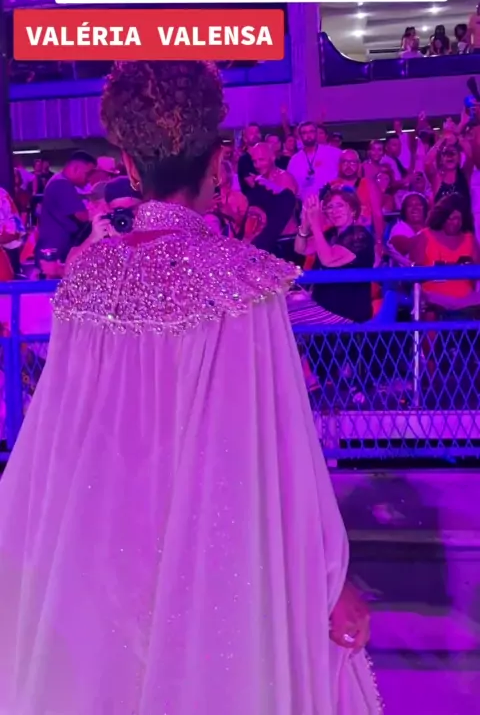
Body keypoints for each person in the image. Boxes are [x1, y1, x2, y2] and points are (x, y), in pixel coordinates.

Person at [0, 60, 378, 715]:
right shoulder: (247, 281)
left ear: (127, 161)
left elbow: (55, 435)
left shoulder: (86, 278)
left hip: (101, 550)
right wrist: (329, 575)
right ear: (220, 158)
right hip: (217, 553)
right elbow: (282, 448)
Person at [295, 189, 375, 323]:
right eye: (330, 207)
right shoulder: (331, 234)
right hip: (324, 308)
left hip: (347, 314)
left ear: (352, 210)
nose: (334, 211)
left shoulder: (359, 236)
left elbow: (328, 260)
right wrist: (305, 225)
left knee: (288, 320)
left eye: (340, 205)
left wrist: (315, 225)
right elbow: (301, 248)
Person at [412, 193, 480, 311]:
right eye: (450, 218)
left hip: (466, 300)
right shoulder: (424, 236)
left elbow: (475, 275)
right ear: (442, 218)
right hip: (432, 298)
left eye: (457, 219)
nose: (453, 223)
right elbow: (415, 273)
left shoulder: (470, 240)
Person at [36, 150, 97, 265]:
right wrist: (101, 214)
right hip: (56, 250)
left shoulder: (59, 182)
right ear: (75, 168)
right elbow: (82, 216)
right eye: (88, 174)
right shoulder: (62, 184)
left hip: (54, 247)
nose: (89, 179)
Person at [287, 121, 340, 201]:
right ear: (300, 136)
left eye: (311, 131)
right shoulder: (294, 161)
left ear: (316, 133)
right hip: (305, 204)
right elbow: (291, 187)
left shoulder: (334, 153)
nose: (308, 135)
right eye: (304, 133)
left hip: (331, 203)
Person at [387, 192, 429, 265]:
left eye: (419, 205)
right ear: (404, 211)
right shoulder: (399, 228)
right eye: (409, 206)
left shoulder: (431, 226)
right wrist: (427, 234)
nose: (415, 208)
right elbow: (405, 249)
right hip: (407, 271)